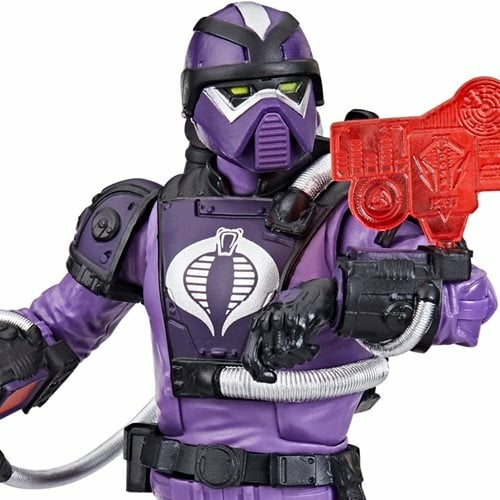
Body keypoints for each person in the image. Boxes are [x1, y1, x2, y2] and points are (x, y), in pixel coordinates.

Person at [0, 2, 496, 499]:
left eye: (289, 89)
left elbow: (465, 299)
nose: (270, 113)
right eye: (240, 93)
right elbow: (56, 328)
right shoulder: (151, 219)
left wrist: (333, 300)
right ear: (196, 106)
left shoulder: (356, 211)